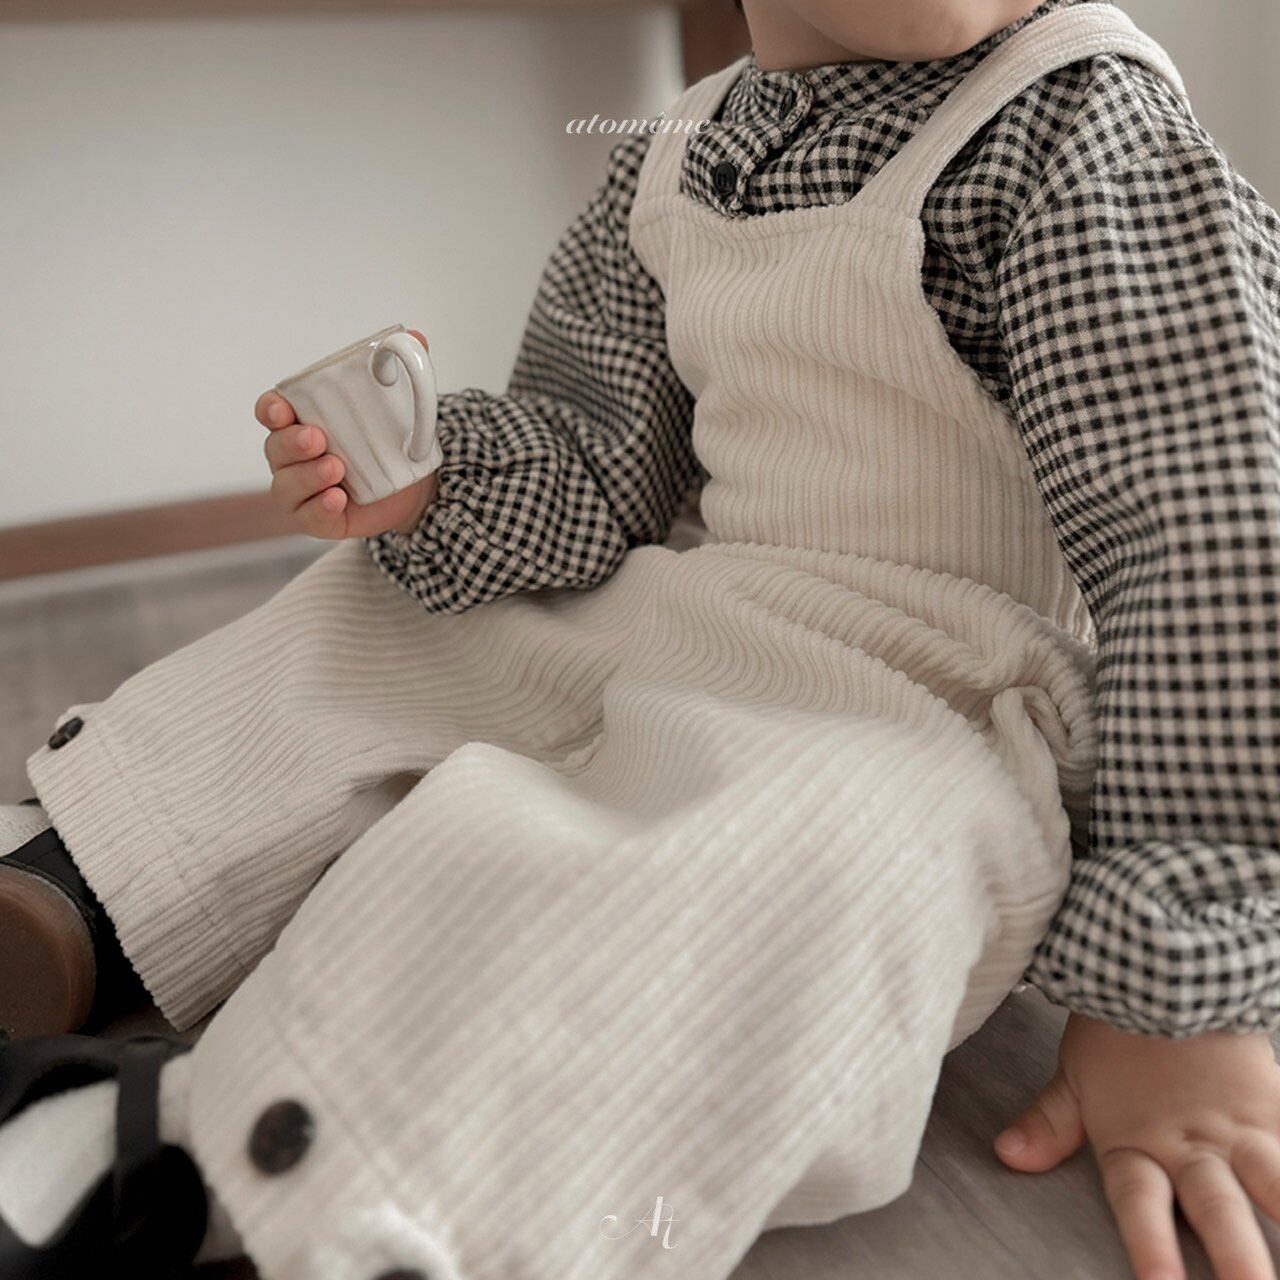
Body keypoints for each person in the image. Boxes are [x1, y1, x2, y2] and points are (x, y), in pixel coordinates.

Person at [2, 2, 1279, 1277]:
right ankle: (90, 876)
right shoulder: (674, 151)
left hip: (939, 699)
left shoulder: (1079, 131)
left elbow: (1211, 551)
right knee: (370, 616)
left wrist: (1180, 988)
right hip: (698, 602)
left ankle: (202, 1151)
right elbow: (598, 466)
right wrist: (434, 482)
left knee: (753, 862)